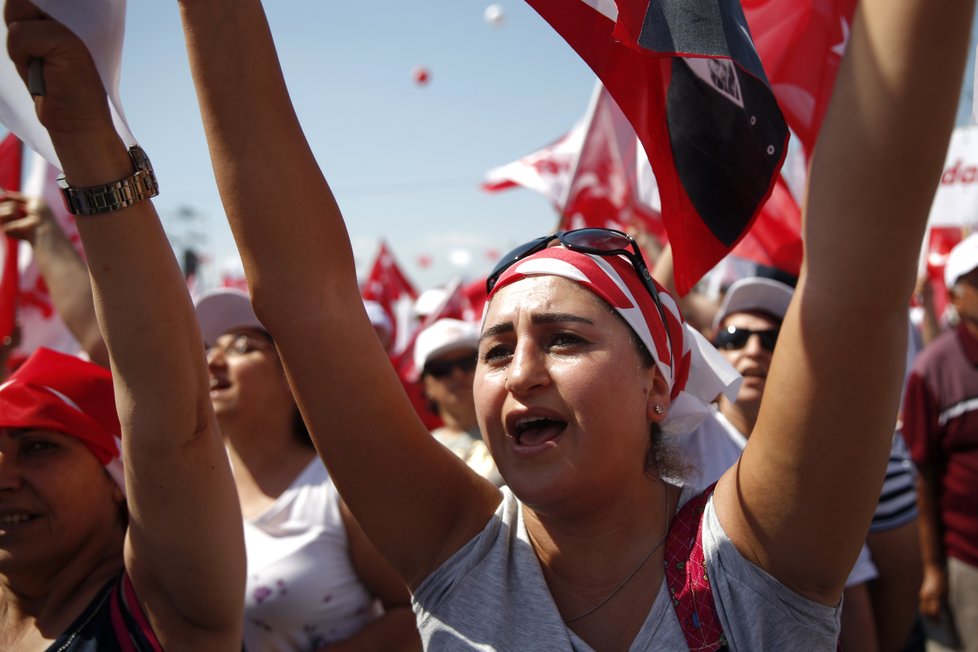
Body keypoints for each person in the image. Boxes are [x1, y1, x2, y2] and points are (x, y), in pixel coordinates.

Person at [173, 0, 972, 648]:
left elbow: (857, 268)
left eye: (564, 338)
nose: (520, 372)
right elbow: (306, 300)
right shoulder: (456, 551)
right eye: (494, 349)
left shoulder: (757, 559)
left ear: (659, 386)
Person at [1, 1, 246, 647]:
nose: (2, 474)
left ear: (121, 481)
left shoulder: (166, 609)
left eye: (39, 447)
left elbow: (174, 420)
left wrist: (82, 136)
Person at [679, 276, 923, 651]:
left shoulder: (820, 462)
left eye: (772, 340)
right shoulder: (677, 434)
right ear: (713, 349)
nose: (754, 350)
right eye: (734, 337)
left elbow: (849, 593)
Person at [196, 288, 421, 651]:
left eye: (241, 346)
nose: (212, 361)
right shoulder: (184, 490)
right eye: (208, 347)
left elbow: (413, 614)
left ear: (291, 376)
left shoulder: (341, 489)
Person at [903, 233, 978, 652]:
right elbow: (923, 477)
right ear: (957, 296)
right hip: (968, 562)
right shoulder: (934, 370)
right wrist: (932, 568)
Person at [414, 318, 502, 486]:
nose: (457, 375)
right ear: (426, 386)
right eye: (442, 369)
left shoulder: (521, 430)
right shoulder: (419, 454)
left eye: (467, 362)